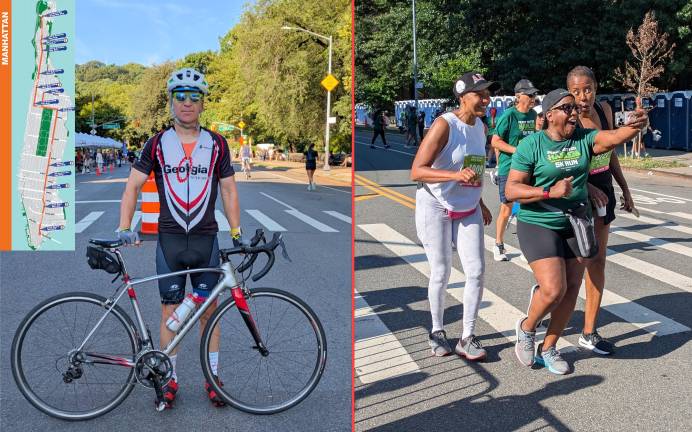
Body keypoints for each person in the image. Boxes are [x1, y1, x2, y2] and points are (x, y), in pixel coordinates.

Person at [117, 67, 242, 408]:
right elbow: (132, 185)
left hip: (206, 241)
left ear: (203, 104)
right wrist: (124, 226)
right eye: (180, 96)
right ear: (171, 102)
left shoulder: (217, 144)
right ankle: (170, 379)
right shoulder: (156, 144)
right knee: (169, 313)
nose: (187, 103)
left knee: (208, 313)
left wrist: (236, 231)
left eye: (194, 97)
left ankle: (213, 379)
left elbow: (229, 190)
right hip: (170, 242)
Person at [506, 88, 648, 374]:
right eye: (566, 108)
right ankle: (527, 327)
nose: (574, 113)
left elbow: (612, 138)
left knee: (571, 289)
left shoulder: (584, 138)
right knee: (553, 289)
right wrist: (548, 191)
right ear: (549, 115)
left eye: (574, 108)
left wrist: (632, 127)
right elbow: (512, 190)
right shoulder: (531, 145)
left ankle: (549, 347)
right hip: (539, 222)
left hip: (576, 222)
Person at [411, 72, 497, 361]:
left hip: (468, 207)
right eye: (479, 94)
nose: (486, 99)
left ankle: (467, 337)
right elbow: (417, 171)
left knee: (476, 270)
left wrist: (481, 201)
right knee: (441, 271)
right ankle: (437, 332)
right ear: (463, 97)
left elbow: (474, 168)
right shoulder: (444, 125)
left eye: (487, 93)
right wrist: (453, 175)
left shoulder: (481, 127)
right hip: (434, 205)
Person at [566, 66, 635, 356]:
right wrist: (584, 185)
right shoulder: (566, 119)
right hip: (576, 193)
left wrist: (624, 188)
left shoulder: (604, 111)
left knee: (597, 261)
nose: (583, 97)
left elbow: (611, 152)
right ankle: (549, 297)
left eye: (588, 89)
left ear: (596, 88)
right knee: (572, 268)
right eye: (577, 91)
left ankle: (589, 331)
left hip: (603, 191)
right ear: (569, 92)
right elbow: (559, 161)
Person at [491, 79, 539, 261]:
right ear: (518, 96)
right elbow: (495, 141)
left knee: (528, 209)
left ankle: (527, 249)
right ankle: (498, 245)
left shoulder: (533, 115)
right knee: (507, 209)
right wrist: (516, 151)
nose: (533, 97)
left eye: (534, 94)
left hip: (528, 169)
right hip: (508, 168)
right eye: (529, 94)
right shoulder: (508, 115)